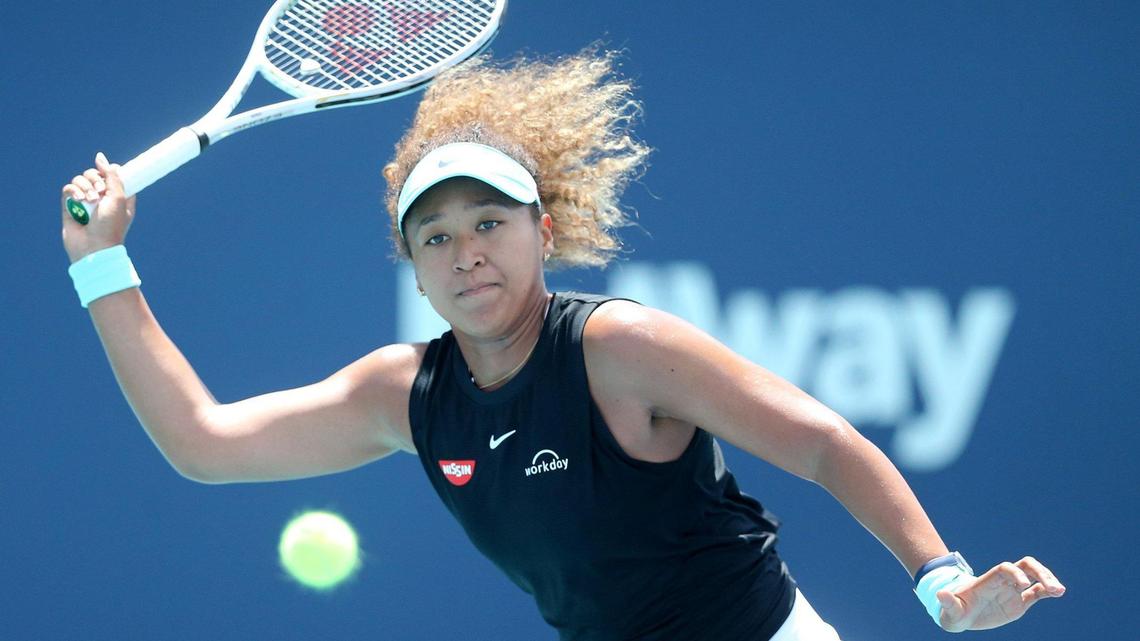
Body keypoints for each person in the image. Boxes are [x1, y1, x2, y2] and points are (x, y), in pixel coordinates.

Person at [61, 49, 1065, 640]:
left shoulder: (619, 348)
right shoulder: (403, 393)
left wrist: (940, 579)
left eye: (490, 224)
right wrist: (101, 265)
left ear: (544, 230)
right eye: (437, 237)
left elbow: (818, 441)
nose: (467, 254)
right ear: (414, 267)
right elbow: (204, 442)